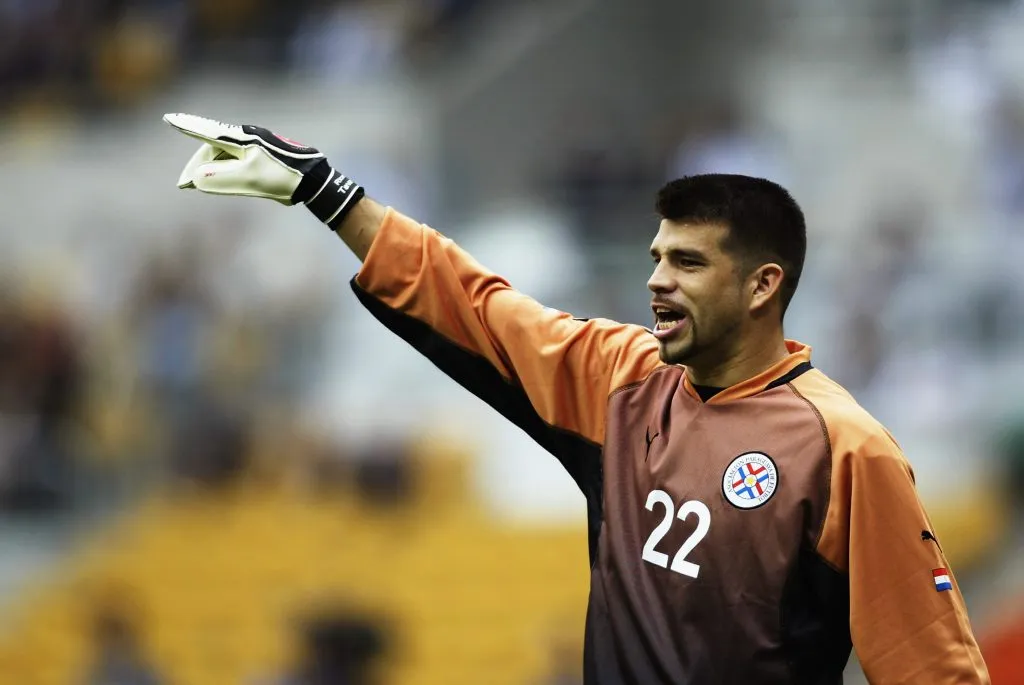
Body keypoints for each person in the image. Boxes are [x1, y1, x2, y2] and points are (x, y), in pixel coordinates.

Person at [163, 114, 991, 684]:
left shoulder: (846, 449)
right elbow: (475, 302)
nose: (657, 280)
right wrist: (332, 196)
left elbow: (932, 664)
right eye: (657, 257)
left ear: (763, 286)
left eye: (689, 263)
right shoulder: (620, 382)